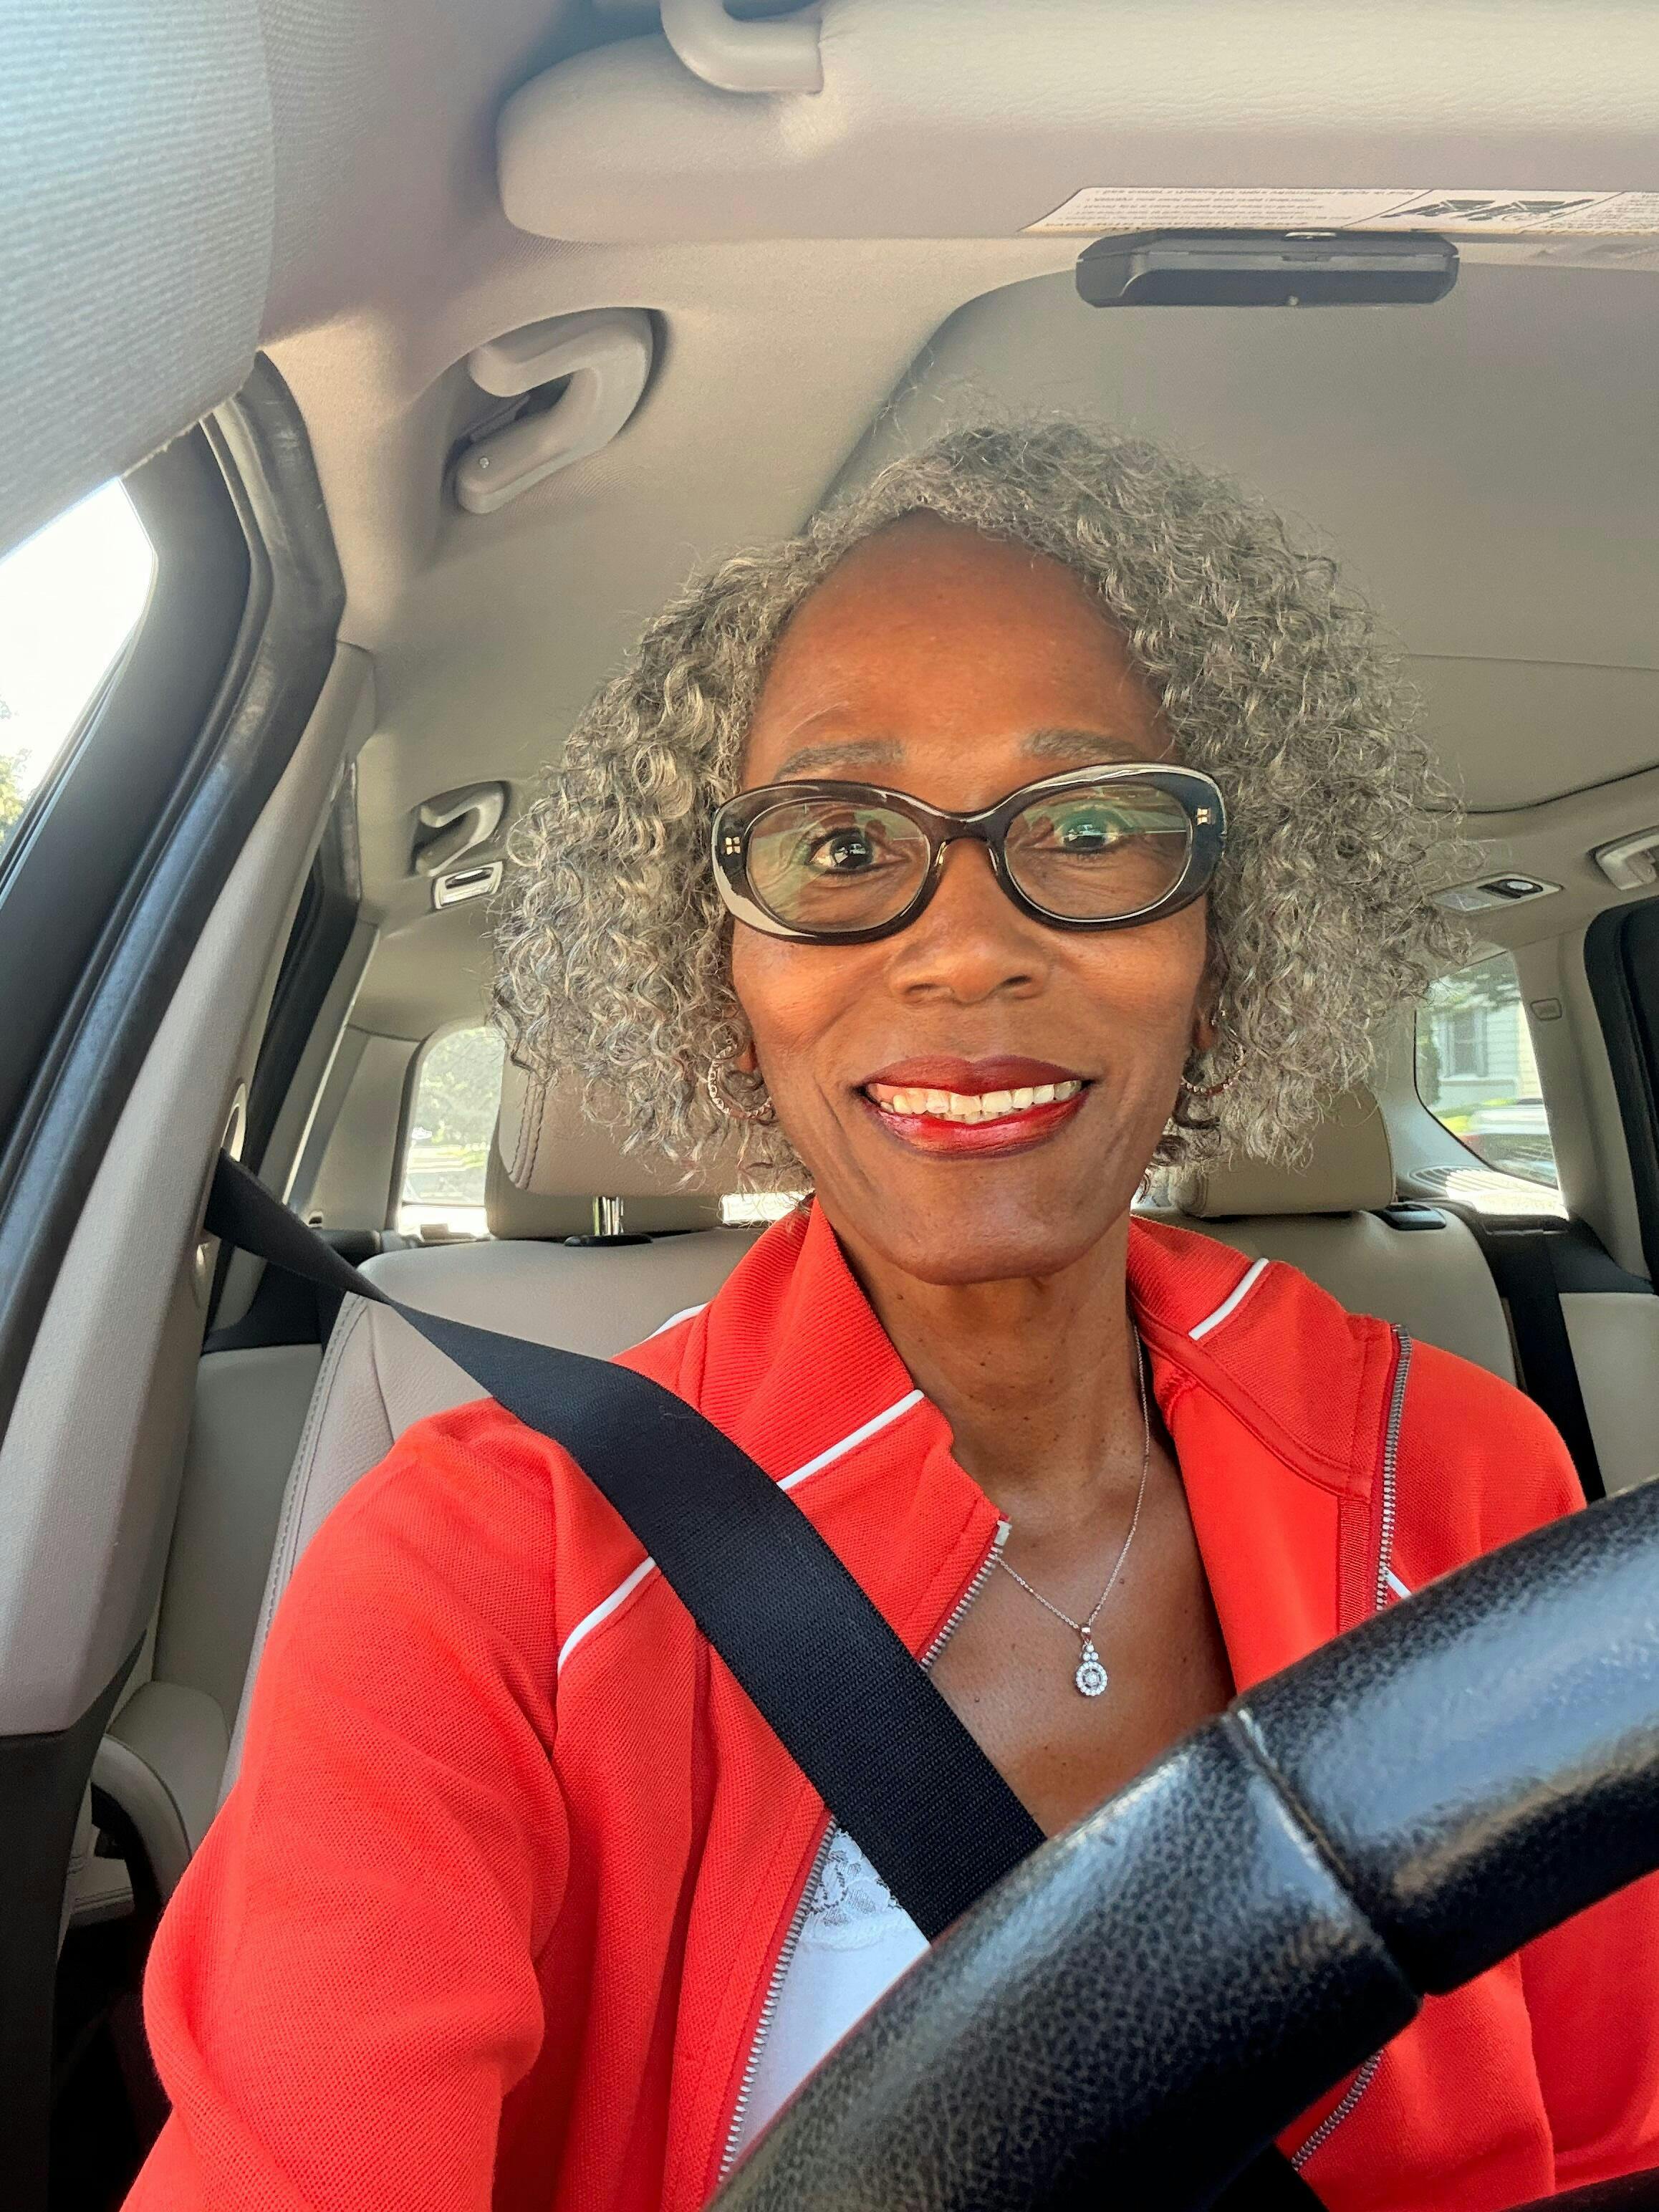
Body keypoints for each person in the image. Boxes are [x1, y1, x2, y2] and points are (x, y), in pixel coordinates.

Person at [128, 421, 1659, 2211]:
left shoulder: (1463, 1471)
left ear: (1227, 930)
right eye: (840, 842)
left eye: (1094, 827)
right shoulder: (482, 1572)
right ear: (720, 956)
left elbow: (1611, 2131)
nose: (964, 946)